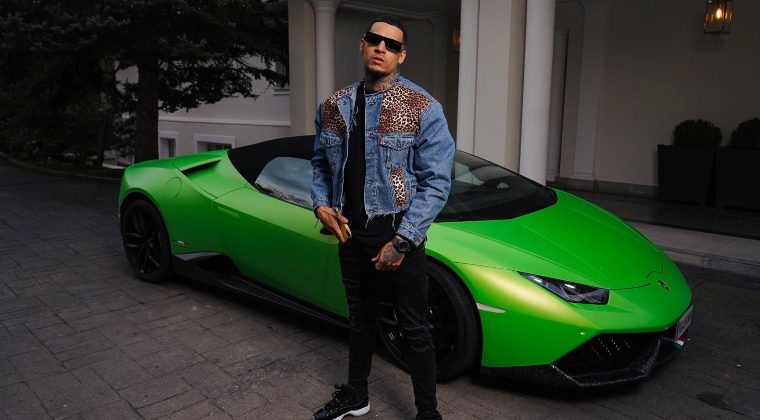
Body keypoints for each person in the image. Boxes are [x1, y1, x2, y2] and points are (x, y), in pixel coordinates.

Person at [310, 14, 455, 420]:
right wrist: (320, 204)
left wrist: (402, 242)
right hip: (350, 234)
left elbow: (437, 183)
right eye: (375, 40)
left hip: (397, 233)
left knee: (415, 328)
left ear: (401, 56)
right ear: (363, 45)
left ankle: (428, 414)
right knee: (360, 320)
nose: (381, 48)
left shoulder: (422, 107)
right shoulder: (333, 105)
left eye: (392, 45)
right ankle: (357, 395)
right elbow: (320, 164)